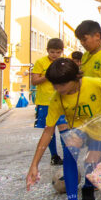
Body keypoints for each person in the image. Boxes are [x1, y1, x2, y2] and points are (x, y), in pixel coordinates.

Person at [26, 58, 101, 200]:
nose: (57, 90)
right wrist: (34, 165)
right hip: (77, 129)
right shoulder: (57, 98)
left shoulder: (93, 83)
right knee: (69, 154)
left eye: (61, 85)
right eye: (55, 86)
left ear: (76, 78)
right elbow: (47, 131)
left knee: (92, 161)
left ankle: (88, 187)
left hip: (97, 126)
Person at [31, 38, 65, 166]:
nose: (55, 55)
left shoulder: (64, 63)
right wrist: (48, 75)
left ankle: (67, 155)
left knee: (64, 129)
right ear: (47, 51)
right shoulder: (41, 62)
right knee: (49, 130)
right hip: (45, 101)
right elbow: (34, 81)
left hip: (62, 100)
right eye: (52, 52)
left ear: (62, 51)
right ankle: (54, 155)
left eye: (57, 52)